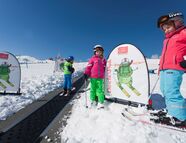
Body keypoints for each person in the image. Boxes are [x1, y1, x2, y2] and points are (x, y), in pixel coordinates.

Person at [157, 12, 186, 123]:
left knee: (171, 91)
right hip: (165, 69)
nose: (166, 30)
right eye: (164, 29)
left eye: (168, 27)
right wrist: (160, 68)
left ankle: (180, 117)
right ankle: (172, 110)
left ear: (177, 22)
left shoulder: (183, 33)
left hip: (175, 68)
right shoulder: (167, 40)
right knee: (164, 90)